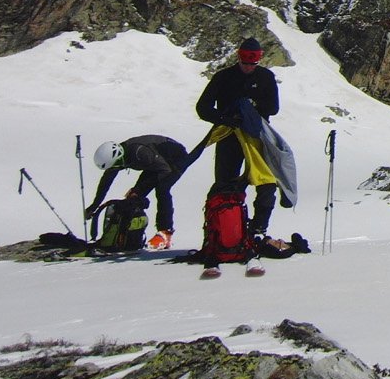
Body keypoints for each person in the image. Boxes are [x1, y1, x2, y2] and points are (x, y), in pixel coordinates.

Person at [195, 36, 284, 243]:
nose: (248, 67)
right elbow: (203, 108)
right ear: (239, 58)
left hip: (257, 136)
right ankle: (223, 229)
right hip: (229, 135)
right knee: (225, 185)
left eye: (253, 63)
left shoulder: (266, 77)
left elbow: (273, 108)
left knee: (266, 183)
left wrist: (251, 107)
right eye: (245, 63)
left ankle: (258, 229)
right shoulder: (223, 77)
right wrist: (225, 119)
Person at [85, 135, 189, 250]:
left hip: (176, 157)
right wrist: (94, 206)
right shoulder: (116, 158)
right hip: (156, 162)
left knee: (162, 189)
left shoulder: (139, 153)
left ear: (120, 157)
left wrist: (138, 189)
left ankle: (165, 233)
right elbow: (106, 182)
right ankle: (125, 237)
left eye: (116, 165)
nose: (115, 169)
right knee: (132, 199)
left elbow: (165, 170)